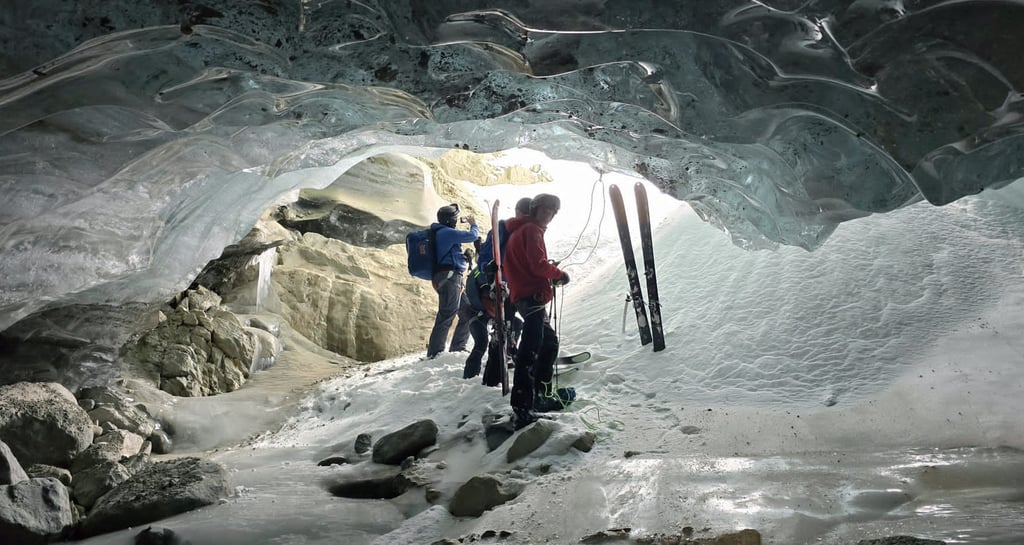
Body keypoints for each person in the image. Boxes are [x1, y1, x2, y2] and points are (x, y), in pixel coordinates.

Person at [502, 193, 573, 427]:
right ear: (535, 210)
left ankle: (538, 396)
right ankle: (524, 405)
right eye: (544, 211)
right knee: (531, 351)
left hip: (525, 297)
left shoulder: (519, 231)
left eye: (551, 213)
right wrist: (559, 274)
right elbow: (537, 265)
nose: (547, 216)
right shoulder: (531, 230)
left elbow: (528, 265)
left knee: (547, 343)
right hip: (531, 297)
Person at [462, 197, 531, 380]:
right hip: (485, 306)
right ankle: (472, 376)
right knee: (483, 342)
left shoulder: (528, 232)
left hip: (507, 293)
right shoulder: (505, 229)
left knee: (515, 326)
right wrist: (490, 272)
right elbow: (486, 259)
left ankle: (508, 356)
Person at [426, 203, 479, 359]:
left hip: (448, 277)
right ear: (451, 220)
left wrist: (463, 258)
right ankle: (435, 353)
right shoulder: (446, 232)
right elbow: (473, 235)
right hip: (449, 278)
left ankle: (458, 347)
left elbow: (449, 256)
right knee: (447, 313)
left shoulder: (439, 233)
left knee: (468, 311)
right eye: (455, 218)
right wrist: (473, 224)